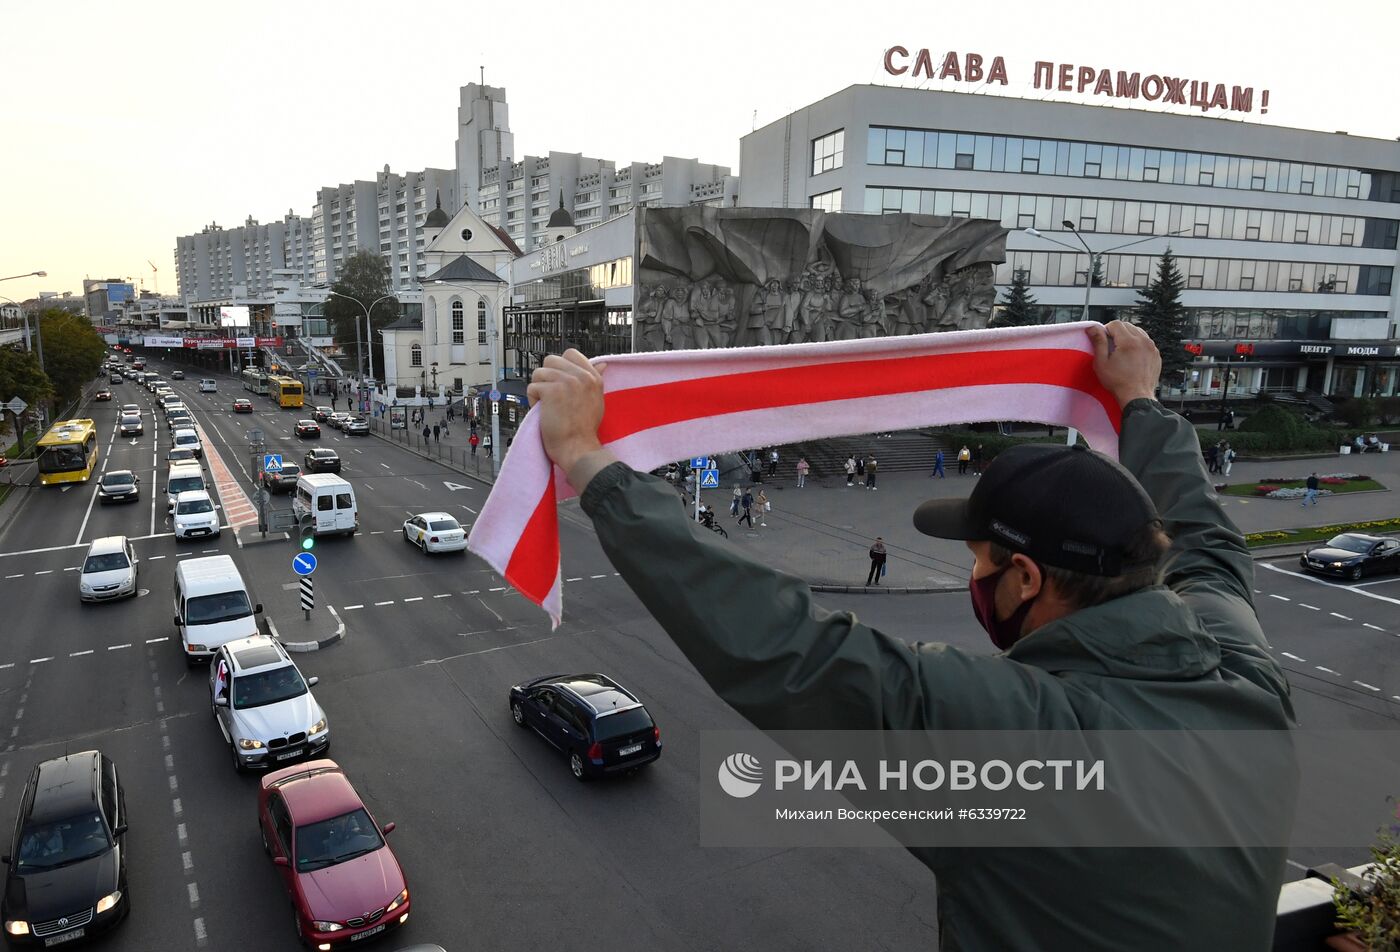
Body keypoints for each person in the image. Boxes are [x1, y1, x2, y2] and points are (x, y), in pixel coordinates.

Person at [523, 323, 1295, 951]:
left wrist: (591, 461)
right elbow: (1208, 542)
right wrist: (1142, 403)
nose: (974, 581)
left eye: (980, 562)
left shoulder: (1026, 742)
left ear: (1025, 578)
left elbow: (788, 647)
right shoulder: (1242, 669)